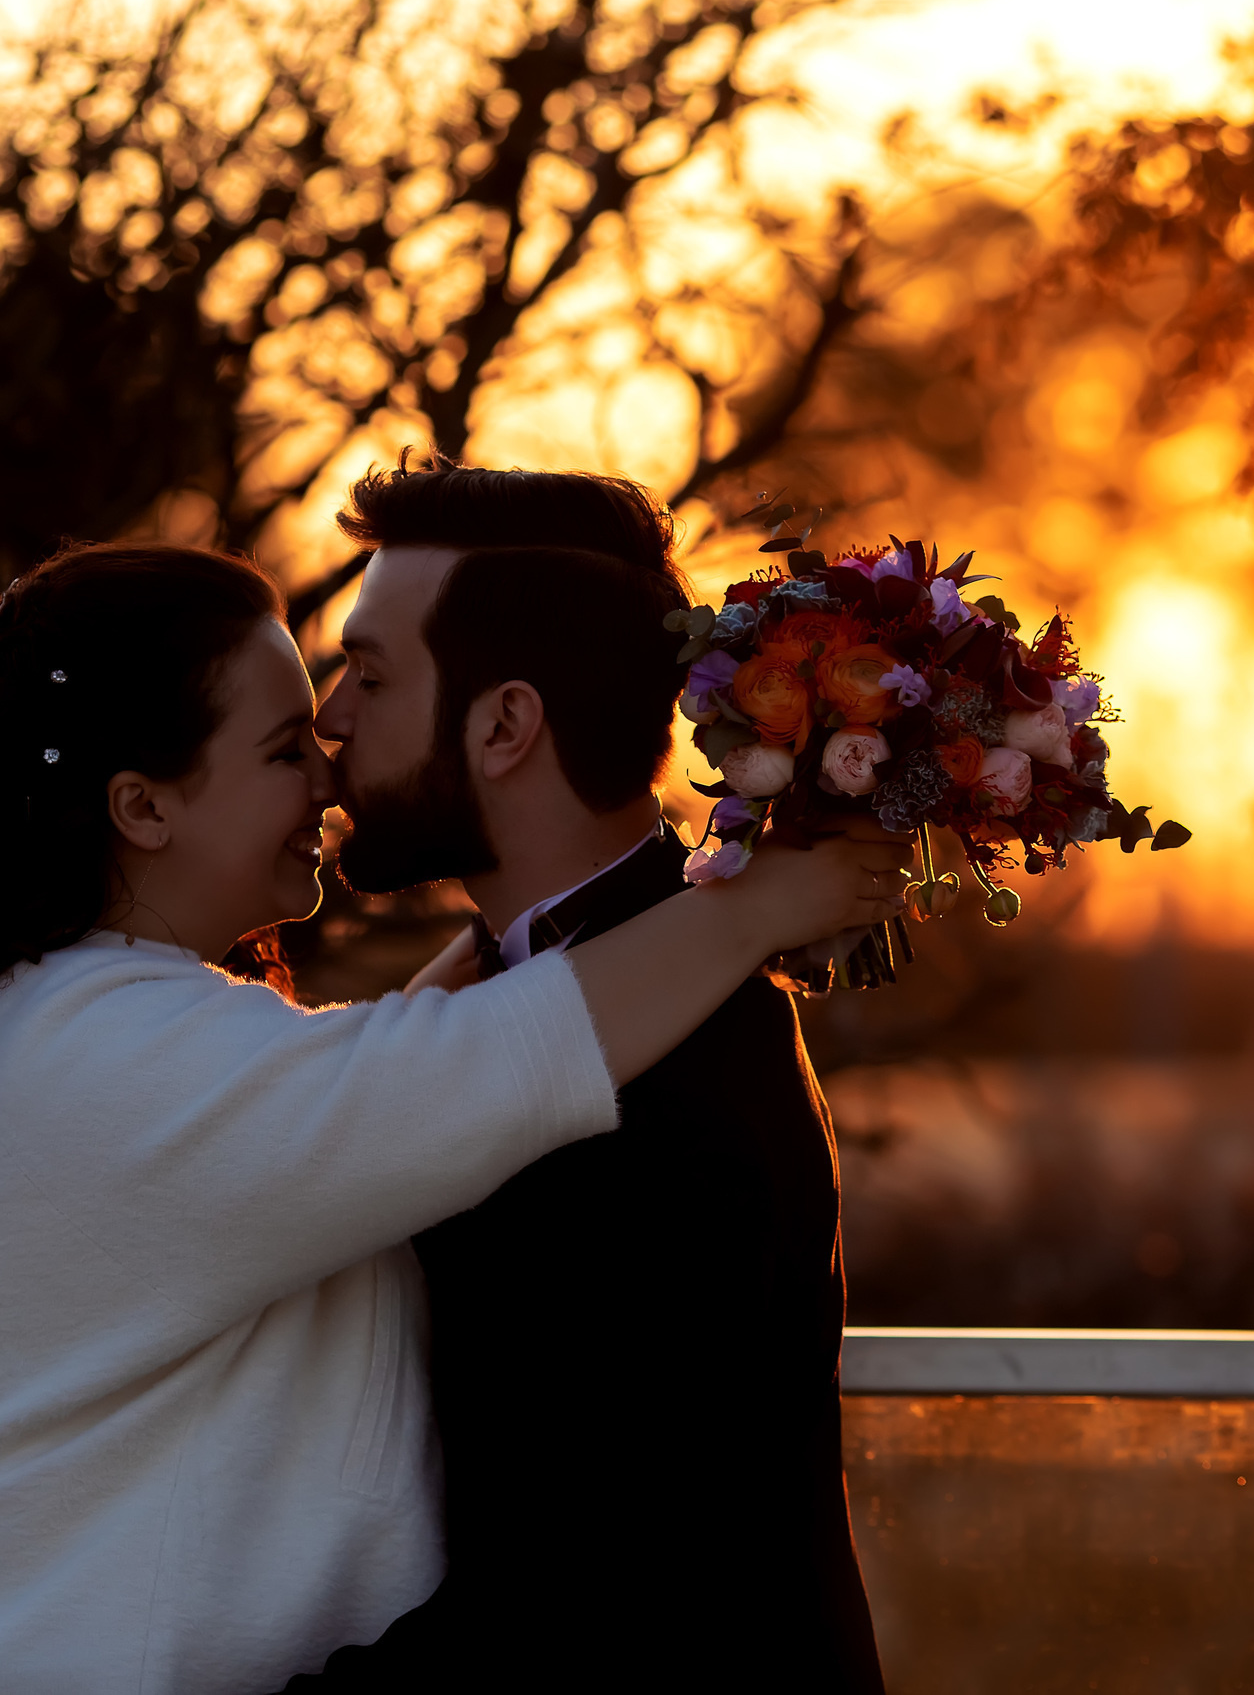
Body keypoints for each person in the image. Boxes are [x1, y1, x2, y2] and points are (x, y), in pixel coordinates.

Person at [0, 541, 905, 1694]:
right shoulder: (101, 1058)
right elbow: (457, 1073)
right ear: (141, 806)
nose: (326, 766)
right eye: (282, 750)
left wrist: (528, 913)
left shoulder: (63, 1026)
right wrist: (759, 902)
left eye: (354, 690)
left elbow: (381, 1083)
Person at [289, 458, 892, 1692]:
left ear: (506, 724)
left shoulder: (670, 1094)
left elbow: (595, 1604)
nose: (333, 717)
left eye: (373, 671)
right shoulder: (613, 972)